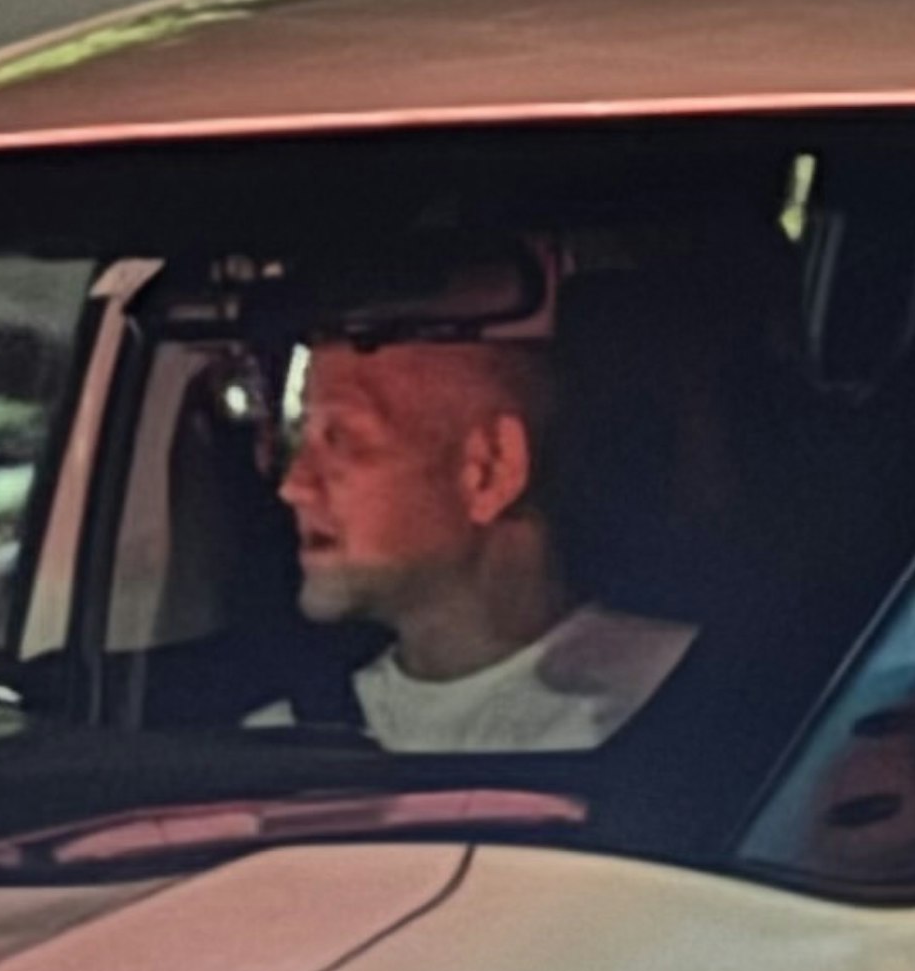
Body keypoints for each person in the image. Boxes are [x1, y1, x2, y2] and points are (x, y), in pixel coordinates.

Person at [280, 306, 695, 754]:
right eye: (301, 435)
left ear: (490, 469)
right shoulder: (280, 744)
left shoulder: (697, 723)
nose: (293, 486)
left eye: (342, 439)